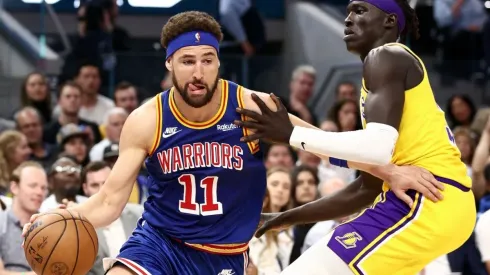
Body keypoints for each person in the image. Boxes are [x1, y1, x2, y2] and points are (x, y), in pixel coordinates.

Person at [23, 11, 442, 275]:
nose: (199, 72)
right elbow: (111, 202)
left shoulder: (250, 105)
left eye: (208, 61)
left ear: (218, 62)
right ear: (170, 63)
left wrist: (389, 170)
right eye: (188, 61)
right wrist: (66, 215)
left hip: (225, 254)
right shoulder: (146, 118)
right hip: (160, 245)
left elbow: (321, 143)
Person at [234, 0, 476, 274]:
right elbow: (367, 188)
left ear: (390, 21)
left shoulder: (386, 56)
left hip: (428, 199)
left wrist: (292, 134)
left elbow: (376, 151)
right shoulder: (380, 79)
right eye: (348, 11)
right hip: (437, 202)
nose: (348, 19)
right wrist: (284, 218)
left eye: (360, 11)